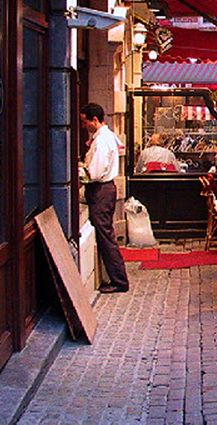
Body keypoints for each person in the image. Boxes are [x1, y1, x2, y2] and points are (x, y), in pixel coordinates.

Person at [79, 102, 129, 294]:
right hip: (104, 190)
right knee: (106, 235)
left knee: (106, 237)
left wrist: (79, 171)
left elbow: (95, 173)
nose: (84, 126)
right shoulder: (106, 137)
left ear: (94, 120)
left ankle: (119, 280)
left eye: (85, 122)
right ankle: (115, 277)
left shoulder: (102, 141)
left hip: (101, 190)